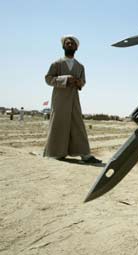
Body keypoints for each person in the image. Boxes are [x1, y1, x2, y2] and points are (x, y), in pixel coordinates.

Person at [44, 35, 102, 164]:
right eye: (67, 43)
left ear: (76, 47)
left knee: (78, 124)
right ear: (63, 46)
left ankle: (85, 155)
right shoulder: (56, 63)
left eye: (72, 44)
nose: (70, 45)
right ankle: (56, 153)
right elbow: (48, 79)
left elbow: (83, 82)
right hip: (59, 98)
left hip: (74, 98)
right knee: (58, 123)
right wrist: (65, 79)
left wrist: (78, 81)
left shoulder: (80, 66)